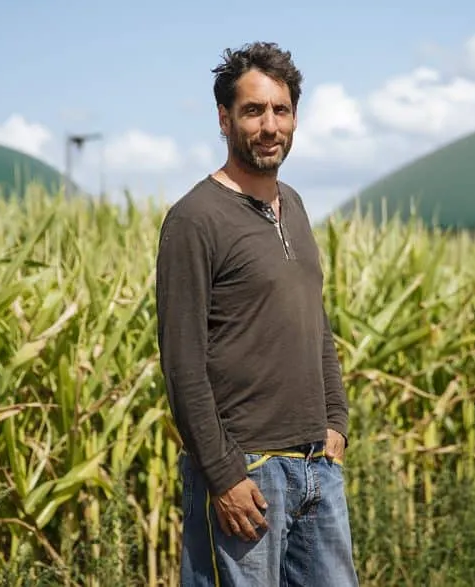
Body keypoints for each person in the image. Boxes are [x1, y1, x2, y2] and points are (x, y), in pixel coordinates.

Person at [155, 41, 358, 586]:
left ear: (294, 118)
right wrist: (223, 475)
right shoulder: (195, 219)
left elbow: (315, 322)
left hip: (316, 468)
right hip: (246, 474)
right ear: (224, 119)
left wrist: (335, 419)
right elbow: (182, 363)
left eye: (280, 110)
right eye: (253, 111)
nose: (270, 126)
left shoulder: (294, 206)